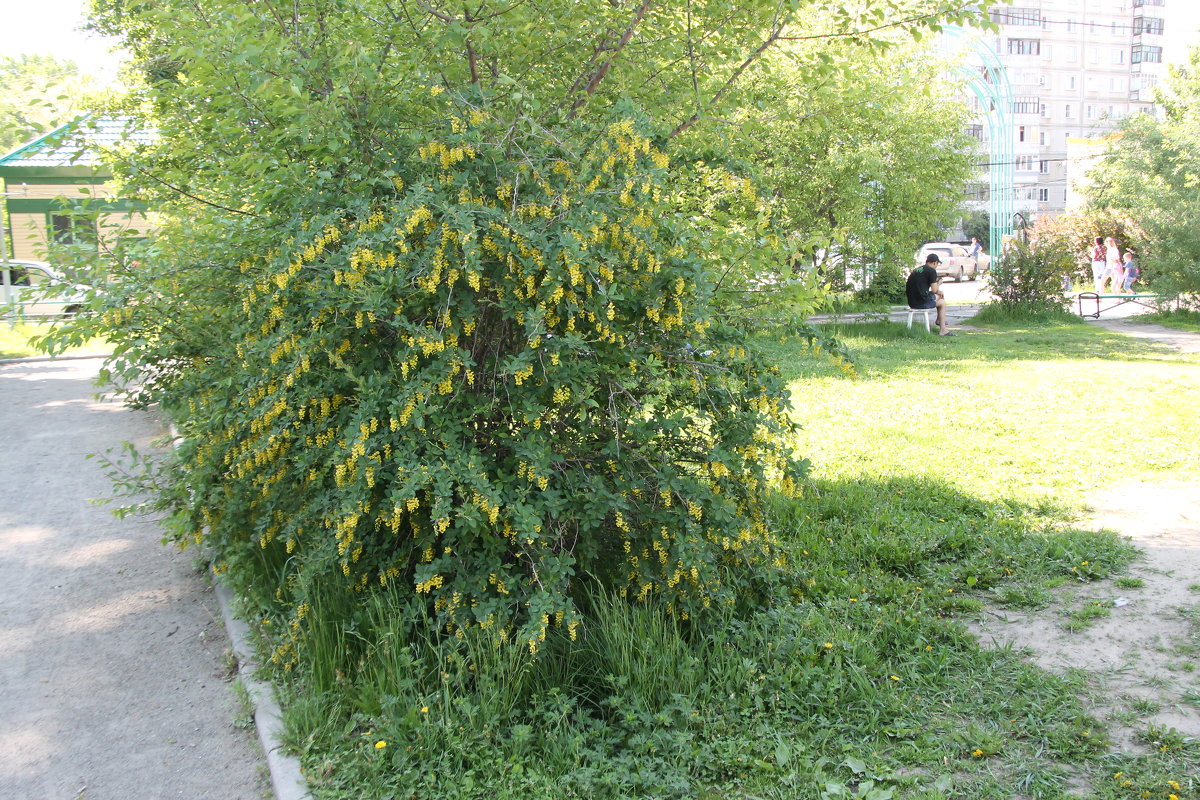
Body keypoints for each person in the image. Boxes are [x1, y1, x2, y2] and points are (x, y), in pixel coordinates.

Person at [906, 254, 952, 336]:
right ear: (935, 263)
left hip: (912, 302)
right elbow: (935, 290)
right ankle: (943, 329)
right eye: (937, 264)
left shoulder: (917, 269)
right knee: (941, 300)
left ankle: (939, 321)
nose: (936, 266)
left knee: (939, 297)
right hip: (921, 302)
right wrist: (939, 284)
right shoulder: (931, 271)